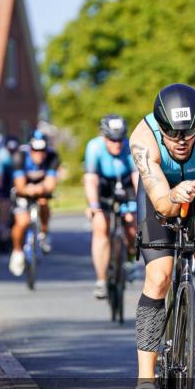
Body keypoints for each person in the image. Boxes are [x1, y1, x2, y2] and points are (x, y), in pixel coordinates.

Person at [129, 83, 195, 389]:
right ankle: (145, 382)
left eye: (189, 134)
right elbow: (159, 200)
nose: (182, 142)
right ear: (160, 128)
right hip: (161, 198)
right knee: (159, 276)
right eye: (173, 135)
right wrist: (175, 194)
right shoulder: (142, 140)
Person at [84, 114, 139, 299]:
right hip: (103, 187)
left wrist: (140, 205)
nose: (116, 143)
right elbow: (90, 179)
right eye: (112, 139)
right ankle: (101, 280)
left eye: (120, 139)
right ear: (104, 137)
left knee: (133, 225)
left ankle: (130, 260)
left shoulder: (130, 146)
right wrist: (94, 206)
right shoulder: (94, 147)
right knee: (101, 227)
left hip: (125, 185)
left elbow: (137, 177)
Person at [8, 130, 59, 276]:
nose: (39, 154)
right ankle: (17, 251)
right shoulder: (20, 156)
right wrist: (28, 190)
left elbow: (50, 184)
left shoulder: (52, 157)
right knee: (22, 222)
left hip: (40, 190)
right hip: (23, 191)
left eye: (42, 150)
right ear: (30, 148)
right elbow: (20, 186)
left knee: (44, 202)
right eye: (35, 150)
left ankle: (44, 233)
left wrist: (40, 189)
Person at [0, 135, 19, 250]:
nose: (12, 153)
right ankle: (2, 231)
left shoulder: (21, 154)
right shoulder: (1, 156)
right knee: (5, 205)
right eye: (10, 150)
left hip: (17, 180)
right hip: (5, 182)